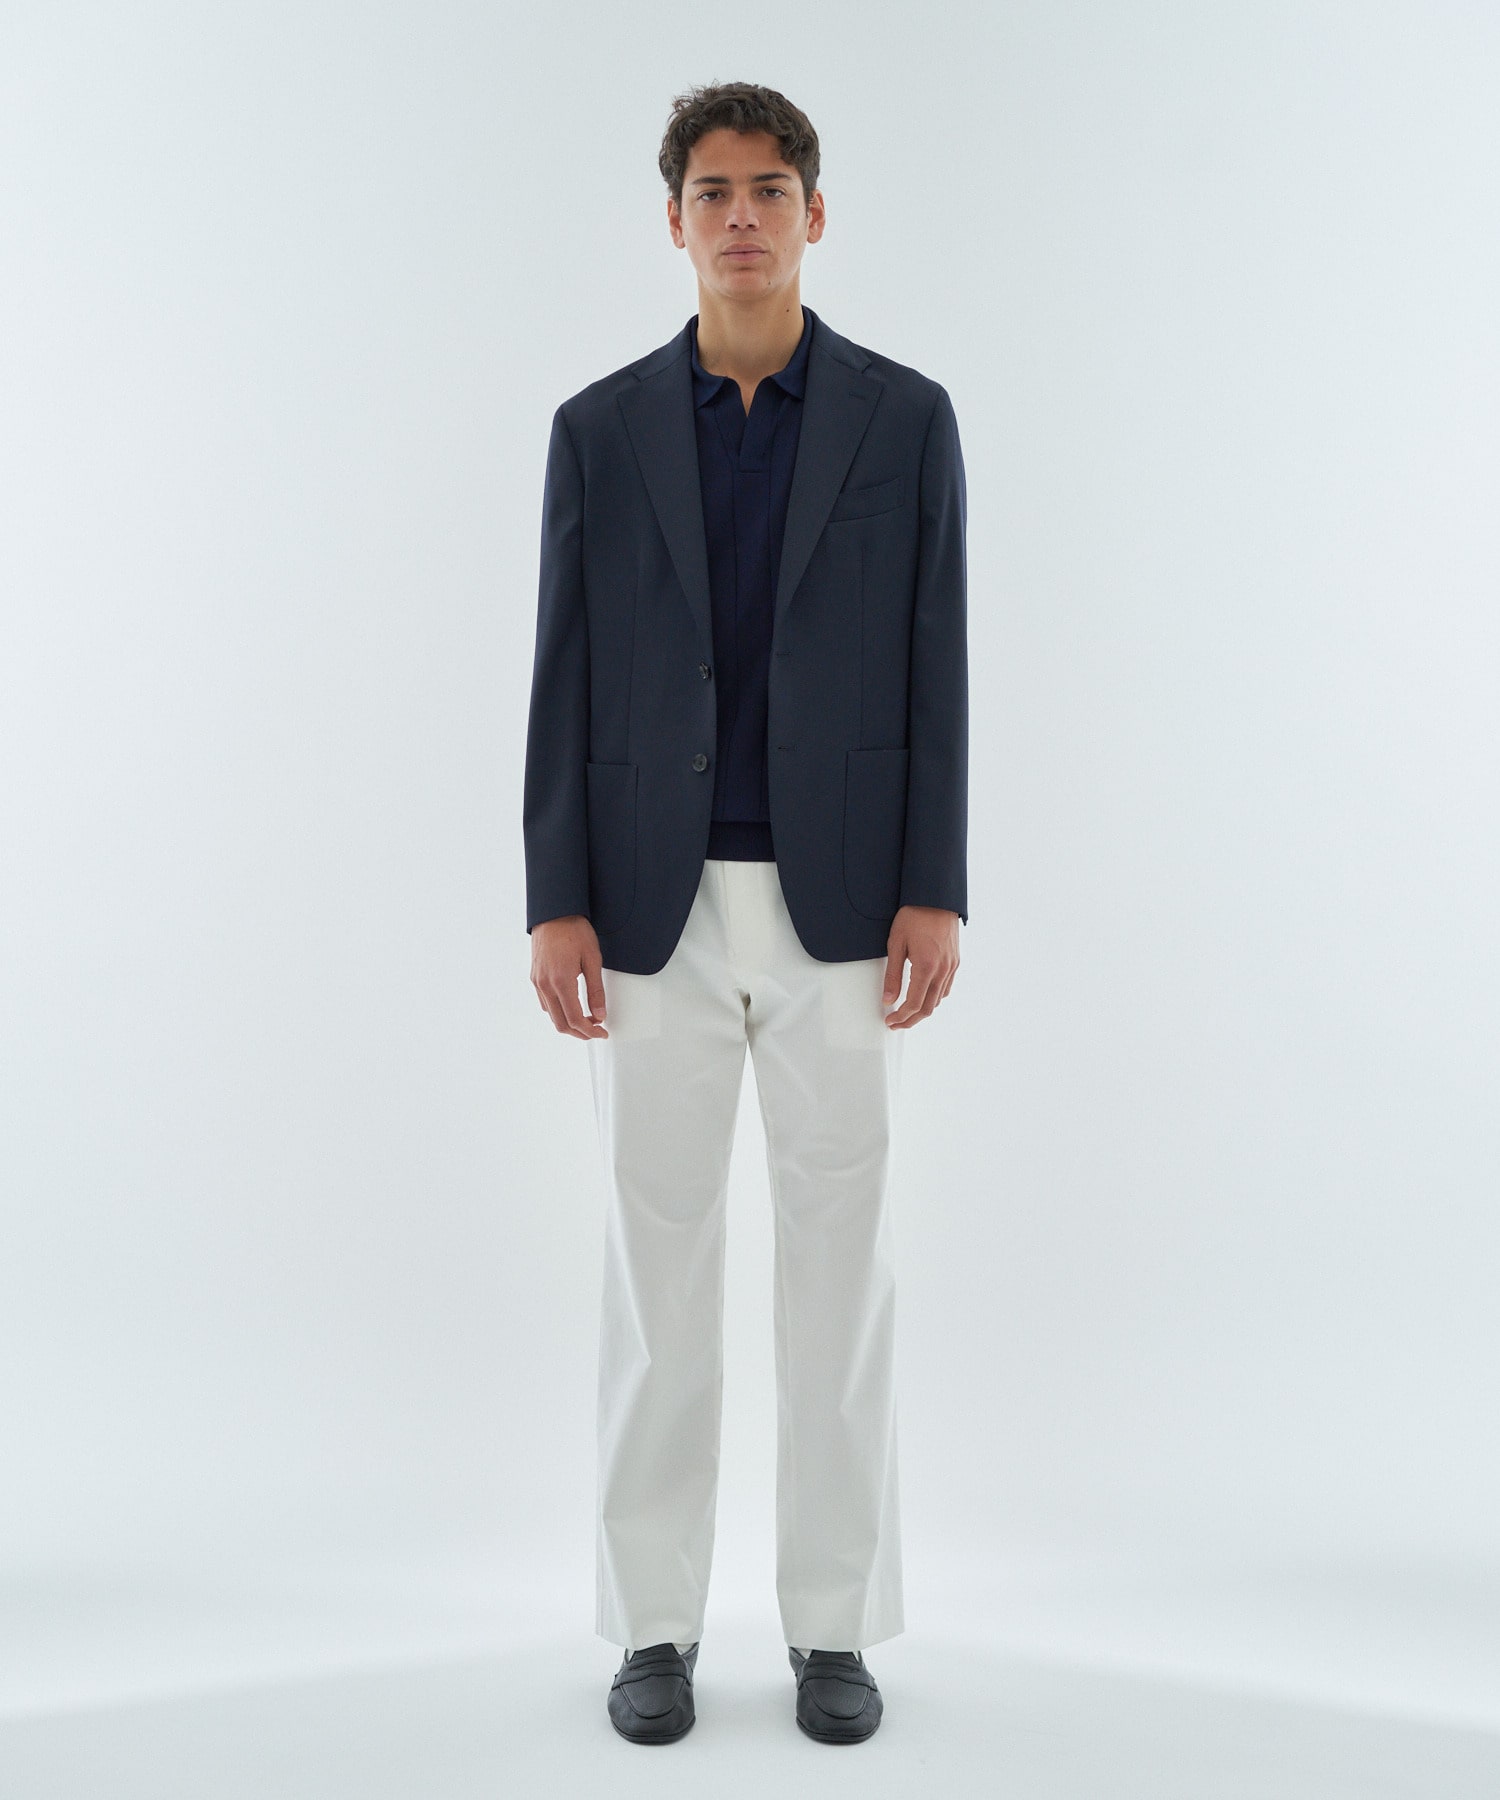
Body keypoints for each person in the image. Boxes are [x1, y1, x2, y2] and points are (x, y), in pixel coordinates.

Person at [522, 80, 968, 1746]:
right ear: (674, 221)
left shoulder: (905, 420)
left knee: (842, 1276)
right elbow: (562, 668)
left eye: (770, 188)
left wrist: (936, 881)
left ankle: (833, 1629)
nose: (741, 216)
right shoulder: (598, 428)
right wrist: (554, 896)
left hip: (847, 908)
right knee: (659, 1276)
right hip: (649, 908)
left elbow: (938, 657)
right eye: (711, 191)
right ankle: (653, 1626)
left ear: (814, 213)